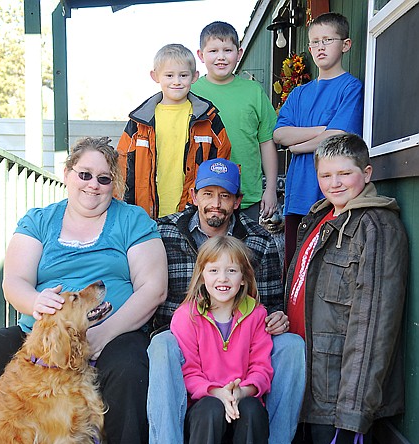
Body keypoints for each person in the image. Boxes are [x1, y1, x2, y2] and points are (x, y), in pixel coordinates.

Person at [0, 136, 168, 444]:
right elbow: (15, 280)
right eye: (84, 174)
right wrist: (36, 302)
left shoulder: (132, 220)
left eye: (104, 179)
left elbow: (153, 288)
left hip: (113, 329)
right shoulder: (40, 220)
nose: (93, 185)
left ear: (115, 184)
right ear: (68, 174)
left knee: (128, 366)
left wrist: (103, 336)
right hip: (43, 337)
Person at [274, 134, 408, 444]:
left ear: (366, 175)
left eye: (344, 174)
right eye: (325, 175)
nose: (334, 183)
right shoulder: (323, 218)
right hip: (308, 370)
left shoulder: (373, 227)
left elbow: (373, 320)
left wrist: (355, 405)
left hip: (341, 382)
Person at [147, 158, 306, 444]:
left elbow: (265, 308)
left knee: (292, 347)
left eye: (225, 196)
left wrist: (275, 323)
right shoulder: (164, 232)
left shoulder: (259, 240)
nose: (215, 203)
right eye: (208, 194)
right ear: (194, 196)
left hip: (239, 343)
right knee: (162, 343)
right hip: (181, 340)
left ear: (237, 201)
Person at [171, 236, 273, 444]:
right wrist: (218, 392)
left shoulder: (256, 315)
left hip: (243, 401)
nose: (223, 279)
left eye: (231, 271)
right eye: (214, 271)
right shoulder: (187, 317)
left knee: (255, 409)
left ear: (244, 278)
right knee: (209, 410)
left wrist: (241, 393)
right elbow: (189, 372)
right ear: (202, 275)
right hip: (206, 406)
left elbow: (262, 367)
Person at [273, 12, 364, 272]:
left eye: (327, 40)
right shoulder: (299, 93)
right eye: (314, 42)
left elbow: (339, 136)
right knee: (294, 268)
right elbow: (280, 135)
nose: (319, 47)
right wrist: (323, 129)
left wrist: (298, 145)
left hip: (331, 195)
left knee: (323, 270)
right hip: (298, 193)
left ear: (345, 45)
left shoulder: (350, 87)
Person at [117, 43, 231, 219]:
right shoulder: (139, 121)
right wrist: (120, 206)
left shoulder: (208, 118)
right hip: (145, 213)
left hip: (192, 212)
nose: (176, 81)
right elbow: (121, 165)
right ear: (155, 76)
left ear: (194, 77)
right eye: (169, 75)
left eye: (183, 75)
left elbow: (222, 162)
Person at [192, 21, 278, 222]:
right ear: (201, 55)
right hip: (204, 197)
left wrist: (271, 189)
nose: (221, 57)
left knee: (245, 252)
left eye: (227, 50)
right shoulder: (191, 93)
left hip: (247, 195)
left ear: (239, 54)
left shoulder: (253, 92)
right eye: (213, 50)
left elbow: (266, 142)